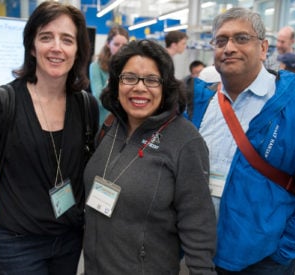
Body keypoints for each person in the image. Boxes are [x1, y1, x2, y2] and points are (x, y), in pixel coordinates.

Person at [188, 7, 295, 274]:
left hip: (263, 260)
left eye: (241, 38)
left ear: (263, 48)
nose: (229, 48)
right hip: (200, 252)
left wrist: (286, 249)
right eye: (221, 40)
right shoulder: (201, 103)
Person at [0, 2, 99, 274]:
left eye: (67, 39)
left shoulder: (86, 106)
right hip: (15, 246)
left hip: (68, 242)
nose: (56, 47)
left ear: (78, 50)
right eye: (46, 37)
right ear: (32, 46)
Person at [83, 39, 216, 274]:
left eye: (152, 80)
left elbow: (197, 225)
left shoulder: (185, 142)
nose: (140, 88)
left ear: (165, 86)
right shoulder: (111, 125)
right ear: (116, 84)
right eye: (130, 78)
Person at [89, 25, 129, 125]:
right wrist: (113, 74)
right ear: (108, 44)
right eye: (116, 44)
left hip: (125, 121)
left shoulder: (131, 67)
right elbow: (98, 99)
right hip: (104, 122)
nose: (120, 49)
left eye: (124, 46)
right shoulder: (96, 67)